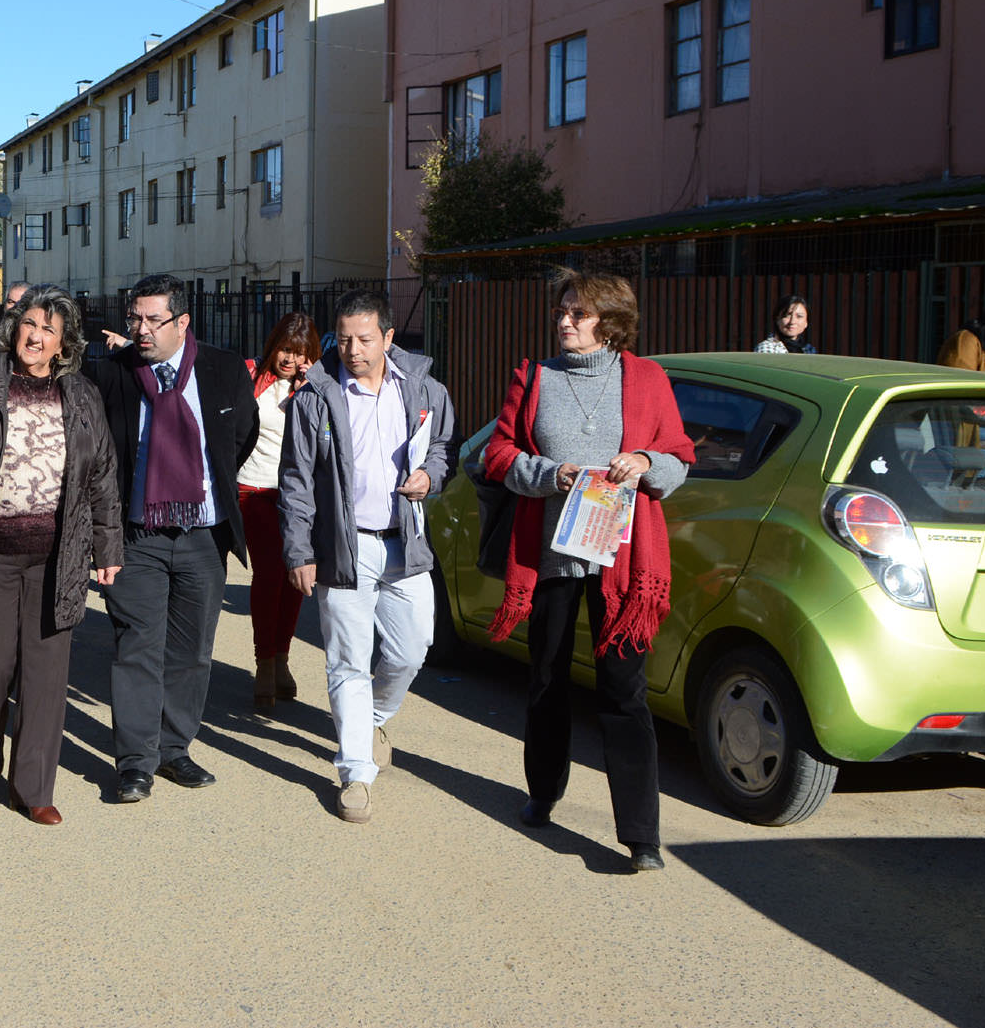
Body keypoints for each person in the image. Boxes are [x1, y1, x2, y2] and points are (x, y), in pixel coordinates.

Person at [480, 271, 693, 873]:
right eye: (562, 309)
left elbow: (679, 459)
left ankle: (642, 835)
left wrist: (645, 460)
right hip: (550, 557)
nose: (565, 320)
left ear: (612, 321)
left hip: (623, 563)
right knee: (546, 680)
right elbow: (497, 455)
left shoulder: (648, 379)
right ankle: (543, 793)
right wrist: (553, 474)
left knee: (624, 692)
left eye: (579, 312)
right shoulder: (536, 377)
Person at [0, 285, 122, 825]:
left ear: (64, 345)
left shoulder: (82, 396)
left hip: (57, 555)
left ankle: (33, 787)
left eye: (50, 330)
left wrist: (108, 546)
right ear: (14, 327)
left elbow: (103, 477)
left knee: (46, 673)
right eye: (30, 324)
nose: (36, 337)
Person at [277, 293, 455, 824]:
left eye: (365, 339)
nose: (353, 350)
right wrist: (300, 550)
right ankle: (356, 770)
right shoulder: (316, 396)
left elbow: (443, 446)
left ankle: (371, 716)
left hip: (406, 543)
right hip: (343, 545)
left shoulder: (424, 390)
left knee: (411, 648)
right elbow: (296, 480)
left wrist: (432, 476)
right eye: (345, 338)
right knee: (347, 661)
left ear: (389, 337)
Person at [85, 274, 259, 802]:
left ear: (183, 322)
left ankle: (174, 749)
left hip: (203, 536)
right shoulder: (112, 374)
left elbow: (240, 439)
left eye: (152, 319)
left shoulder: (224, 370)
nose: (140, 329)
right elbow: (100, 456)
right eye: (134, 318)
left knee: (192, 652)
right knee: (137, 646)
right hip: (137, 537)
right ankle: (135, 761)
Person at [237, 312, 321, 709]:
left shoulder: (316, 388)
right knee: (269, 573)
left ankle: (282, 659)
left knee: (295, 578)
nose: (290, 359)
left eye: (300, 353)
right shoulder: (250, 375)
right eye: (286, 349)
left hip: (298, 498)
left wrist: (314, 384)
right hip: (253, 491)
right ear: (274, 345)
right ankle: (264, 662)